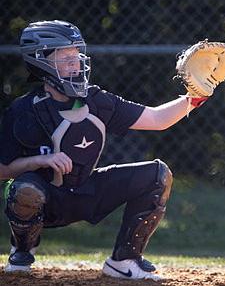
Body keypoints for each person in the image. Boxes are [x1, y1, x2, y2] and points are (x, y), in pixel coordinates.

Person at [0, 20, 209, 280]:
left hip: (85, 190)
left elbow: (156, 119)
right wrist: (40, 161)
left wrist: (196, 96)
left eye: (77, 55)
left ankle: (125, 261)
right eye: (65, 57)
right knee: (25, 190)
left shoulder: (96, 100)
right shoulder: (23, 110)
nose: (75, 63)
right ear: (40, 61)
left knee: (157, 175)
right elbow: (3, 170)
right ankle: (22, 250)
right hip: (46, 199)